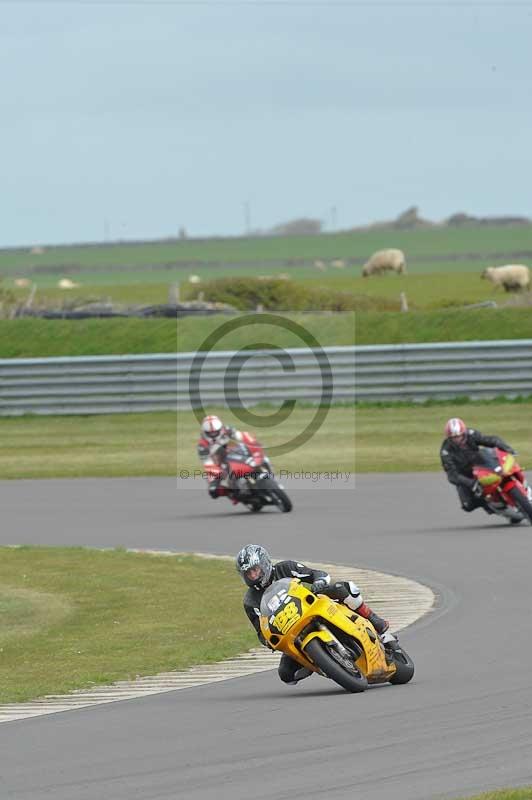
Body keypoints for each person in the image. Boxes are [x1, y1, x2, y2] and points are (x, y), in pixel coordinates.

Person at [235, 544, 390, 686]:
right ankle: (321, 664)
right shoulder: (250, 601)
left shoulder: (285, 568)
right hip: (292, 632)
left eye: (255, 570)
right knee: (286, 674)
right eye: (248, 573)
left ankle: (374, 620)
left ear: (264, 563)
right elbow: (261, 631)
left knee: (344, 588)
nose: (253, 576)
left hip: (312, 606)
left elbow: (316, 574)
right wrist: (268, 641)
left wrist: (319, 582)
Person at [440, 417, 516, 513]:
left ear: (463, 433)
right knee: (468, 505)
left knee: (502, 467)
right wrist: (471, 483)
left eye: (459, 436)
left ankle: (519, 484)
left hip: (480, 463)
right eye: (454, 437)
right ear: (449, 437)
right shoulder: (445, 451)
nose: (457, 439)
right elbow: (452, 475)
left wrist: (507, 449)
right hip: (465, 474)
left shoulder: (471, 434)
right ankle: (489, 505)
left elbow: (491, 440)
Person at [197, 415, 244, 500]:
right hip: (219, 464)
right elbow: (208, 464)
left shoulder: (228, 430)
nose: (213, 434)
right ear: (204, 432)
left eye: (215, 432)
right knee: (213, 492)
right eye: (210, 433)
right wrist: (215, 479)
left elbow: (242, 438)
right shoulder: (202, 445)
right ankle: (232, 493)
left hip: (237, 454)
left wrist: (251, 444)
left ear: (220, 428)